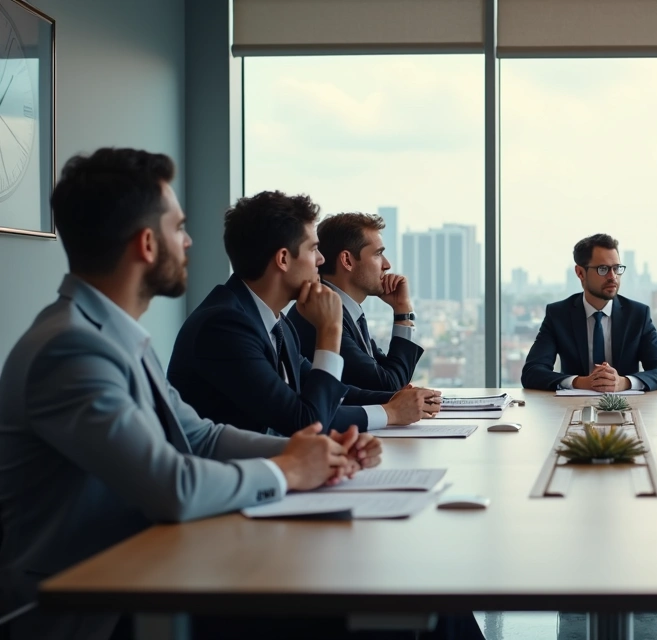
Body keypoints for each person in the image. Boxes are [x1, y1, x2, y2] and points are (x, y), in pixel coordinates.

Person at [0, 148, 380, 640]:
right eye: (178, 228)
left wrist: (314, 452)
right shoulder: (72, 349)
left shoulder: (108, 335)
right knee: (357, 611)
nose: (190, 241)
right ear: (147, 245)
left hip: (145, 571)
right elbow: (172, 487)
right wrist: (289, 468)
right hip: (92, 609)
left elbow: (199, 436)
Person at [168, 191, 440, 436]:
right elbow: (304, 419)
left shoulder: (276, 322)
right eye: (313, 249)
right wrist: (330, 330)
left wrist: (394, 401)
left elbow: (333, 395)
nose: (321, 260)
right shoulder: (224, 326)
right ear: (283, 259)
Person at [286, 212, 423, 391]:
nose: (387, 265)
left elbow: (389, 376)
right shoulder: (319, 312)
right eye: (378, 254)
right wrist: (403, 312)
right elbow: (387, 385)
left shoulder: (348, 311)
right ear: (347, 260)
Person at [521, 233, 657, 391]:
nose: (612, 277)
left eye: (616, 268)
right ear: (580, 273)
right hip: (574, 408)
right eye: (603, 269)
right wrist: (581, 382)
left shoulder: (637, 315)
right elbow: (531, 373)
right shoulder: (558, 315)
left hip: (627, 408)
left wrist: (623, 382)